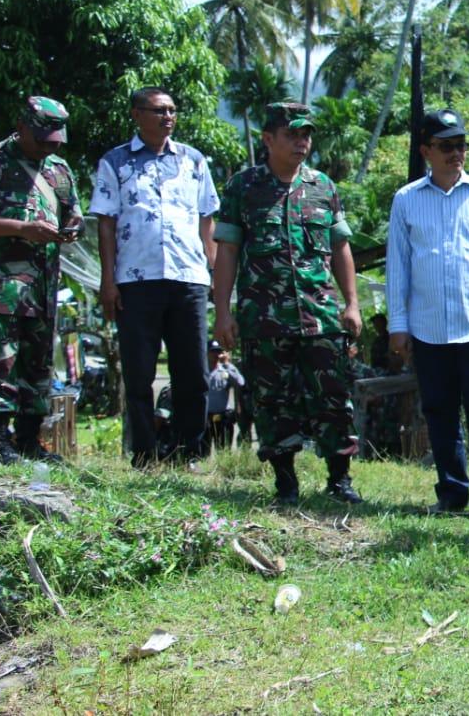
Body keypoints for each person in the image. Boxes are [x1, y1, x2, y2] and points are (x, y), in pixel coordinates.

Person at [212, 102, 365, 506]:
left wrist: (352, 304)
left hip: (320, 314)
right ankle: (286, 483)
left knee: (333, 398)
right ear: (268, 139)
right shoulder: (242, 188)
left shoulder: (323, 187)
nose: (302, 142)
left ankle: (340, 479)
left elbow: (340, 247)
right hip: (264, 317)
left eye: (306, 134)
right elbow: (227, 250)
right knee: (271, 401)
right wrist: (222, 311)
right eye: (292, 134)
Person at [386, 109, 469, 525]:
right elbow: (398, 267)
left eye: (460, 145)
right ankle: (452, 492)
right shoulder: (406, 200)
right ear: (426, 151)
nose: (456, 153)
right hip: (427, 329)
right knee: (439, 413)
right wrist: (398, 325)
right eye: (445, 146)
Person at [89, 86, 219, 467]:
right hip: (136, 279)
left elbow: (206, 219)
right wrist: (108, 280)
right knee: (139, 373)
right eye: (159, 110)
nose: (168, 117)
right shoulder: (114, 162)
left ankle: (187, 451)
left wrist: (211, 274)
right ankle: (144, 453)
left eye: (172, 111)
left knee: (193, 373)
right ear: (136, 114)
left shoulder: (194, 160)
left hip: (188, 278)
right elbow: (106, 224)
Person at [0, 96, 82, 464]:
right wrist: (22, 229)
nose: (49, 146)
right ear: (21, 128)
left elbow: (73, 212)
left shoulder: (59, 169)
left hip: (43, 288)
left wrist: (71, 228)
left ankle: (30, 440)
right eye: (42, 139)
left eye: (55, 140)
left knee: (38, 365)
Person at [205, 340, 245, 452]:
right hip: (205, 417)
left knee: (223, 450)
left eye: (218, 352)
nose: (216, 355)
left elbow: (240, 382)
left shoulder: (226, 369)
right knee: (203, 451)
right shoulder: (202, 370)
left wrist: (227, 364)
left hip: (223, 416)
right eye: (212, 352)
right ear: (206, 353)